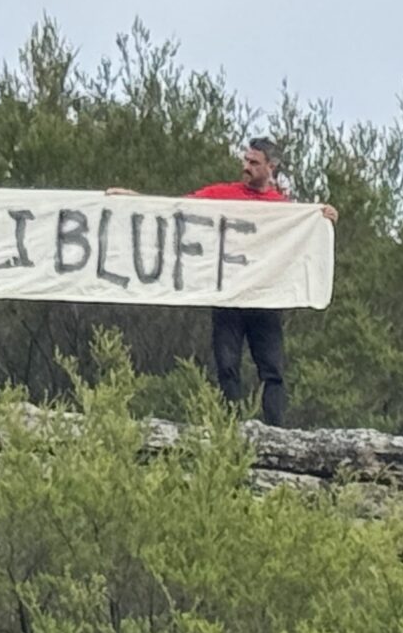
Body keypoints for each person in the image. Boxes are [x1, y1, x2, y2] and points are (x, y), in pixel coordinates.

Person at [119, 138, 339, 427]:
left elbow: (305, 233)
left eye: (254, 163)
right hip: (228, 296)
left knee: (271, 370)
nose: (245, 167)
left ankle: (277, 431)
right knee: (226, 366)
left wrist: (323, 218)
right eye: (245, 160)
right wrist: (132, 199)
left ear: (271, 167)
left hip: (265, 298)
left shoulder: (285, 208)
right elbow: (177, 208)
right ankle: (230, 428)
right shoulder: (223, 194)